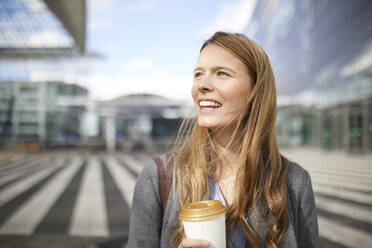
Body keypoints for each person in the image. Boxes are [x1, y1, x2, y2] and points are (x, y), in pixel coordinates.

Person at [127, 31, 319, 248]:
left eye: (221, 73)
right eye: (198, 74)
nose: (202, 85)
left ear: (256, 90)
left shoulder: (295, 183)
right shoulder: (158, 177)